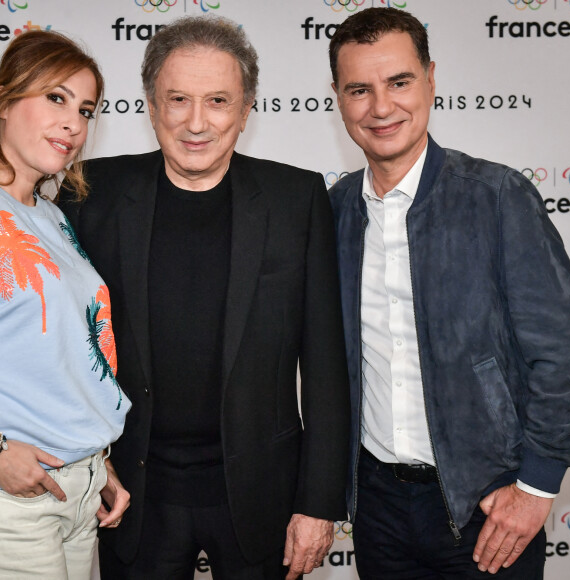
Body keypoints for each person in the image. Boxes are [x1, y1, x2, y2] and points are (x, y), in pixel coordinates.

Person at [59, 15, 350, 580]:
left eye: (218, 100)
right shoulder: (91, 193)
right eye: (178, 99)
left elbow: (325, 368)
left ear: (245, 111)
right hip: (132, 493)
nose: (197, 122)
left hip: (260, 493)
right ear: (149, 105)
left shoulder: (296, 198)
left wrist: (318, 503)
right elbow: (61, 346)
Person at [328, 7, 570, 579]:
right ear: (339, 99)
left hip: (488, 507)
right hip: (377, 511)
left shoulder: (497, 197)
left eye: (399, 82)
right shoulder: (334, 210)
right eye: (359, 90)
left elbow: (565, 354)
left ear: (432, 79)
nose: (381, 107)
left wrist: (538, 486)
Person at [0, 30, 131, 579]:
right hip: (19, 500)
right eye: (55, 97)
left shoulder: (51, 215)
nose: (74, 123)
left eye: (85, 109)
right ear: (6, 100)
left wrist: (97, 460)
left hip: (80, 487)